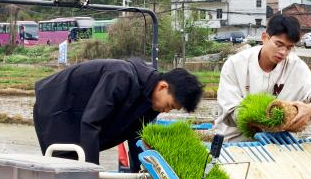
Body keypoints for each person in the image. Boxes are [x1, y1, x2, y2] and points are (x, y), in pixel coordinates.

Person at [32, 59, 204, 171]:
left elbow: (136, 138)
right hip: (57, 107)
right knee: (69, 172)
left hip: (82, 119)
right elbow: (91, 123)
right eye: (169, 105)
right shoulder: (121, 77)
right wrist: (93, 174)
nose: (166, 111)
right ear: (163, 87)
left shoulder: (151, 105)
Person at [215, 14, 311, 141]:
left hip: (276, 143)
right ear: (265, 38)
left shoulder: (295, 66)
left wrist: (309, 109)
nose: (283, 52)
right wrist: (265, 118)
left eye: (289, 47)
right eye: (279, 44)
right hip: (235, 142)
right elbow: (230, 111)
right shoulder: (236, 64)